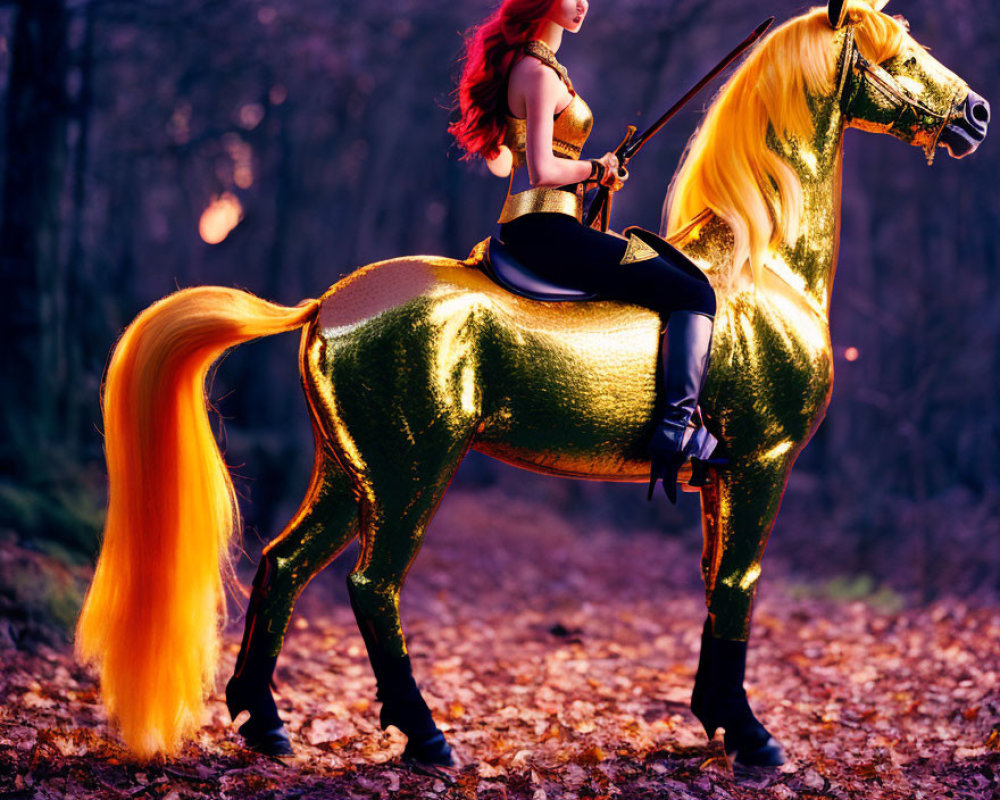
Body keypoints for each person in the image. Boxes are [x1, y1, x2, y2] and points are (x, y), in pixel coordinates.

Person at [450, 0, 719, 501]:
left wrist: (600, 174)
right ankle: (676, 428)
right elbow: (544, 172)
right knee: (693, 295)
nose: (581, 5)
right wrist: (596, 169)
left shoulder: (539, 67)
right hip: (545, 233)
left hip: (550, 226)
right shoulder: (538, 74)